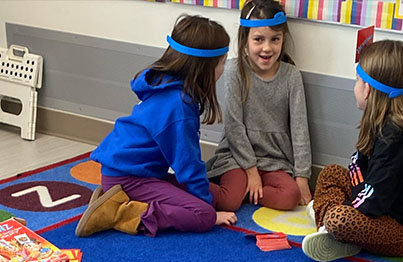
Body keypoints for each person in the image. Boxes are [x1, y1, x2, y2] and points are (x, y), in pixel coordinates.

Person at [76, 14, 237, 238]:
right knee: (203, 215)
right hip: (129, 178)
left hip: (137, 173)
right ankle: (120, 212)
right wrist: (208, 208)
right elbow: (187, 165)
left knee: (206, 195)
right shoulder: (178, 106)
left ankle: (117, 198)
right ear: (205, 67)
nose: (223, 68)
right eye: (222, 62)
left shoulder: (168, 84)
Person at [301, 40, 403, 262]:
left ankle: (329, 226)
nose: (354, 86)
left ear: (367, 89)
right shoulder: (385, 119)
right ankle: (331, 232)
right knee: (330, 173)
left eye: (357, 80)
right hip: (392, 206)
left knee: (339, 218)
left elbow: (373, 202)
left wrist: (337, 209)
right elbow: (361, 169)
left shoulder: (397, 135)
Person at [205, 0, 312, 212]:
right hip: (236, 156)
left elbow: (300, 129)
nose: (267, 48)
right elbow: (234, 127)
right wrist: (251, 171)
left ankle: (248, 191)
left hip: (275, 159)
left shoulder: (291, 76)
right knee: (229, 201)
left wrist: (302, 177)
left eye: (275, 39)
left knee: (290, 197)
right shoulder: (234, 70)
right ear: (245, 40)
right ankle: (185, 184)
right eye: (258, 39)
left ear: (283, 39)